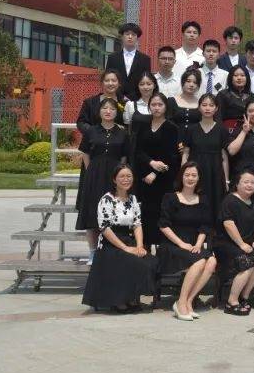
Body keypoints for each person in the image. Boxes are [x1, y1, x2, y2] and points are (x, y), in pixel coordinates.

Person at [81, 164, 156, 312]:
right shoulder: (107, 199)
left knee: (150, 261)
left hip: (129, 239)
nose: (126, 179)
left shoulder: (133, 199)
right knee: (130, 260)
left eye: (129, 176)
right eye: (122, 176)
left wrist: (139, 246)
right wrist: (125, 248)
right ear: (114, 179)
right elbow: (104, 228)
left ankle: (131, 297)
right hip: (110, 244)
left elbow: (137, 224)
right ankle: (119, 300)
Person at [158, 162, 216, 320]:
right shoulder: (170, 198)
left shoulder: (203, 199)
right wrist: (181, 244)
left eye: (194, 175)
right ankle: (180, 302)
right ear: (181, 177)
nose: (190, 178)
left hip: (193, 245)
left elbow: (205, 226)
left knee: (211, 261)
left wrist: (198, 244)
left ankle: (189, 300)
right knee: (199, 261)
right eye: (187, 175)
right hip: (173, 245)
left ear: (198, 178)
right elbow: (163, 225)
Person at [76, 98, 131, 248]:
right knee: (92, 214)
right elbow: (85, 153)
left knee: (113, 212)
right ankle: (93, 251)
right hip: (94, 175)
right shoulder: (91, 131)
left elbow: (124, 156)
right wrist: (90, 171)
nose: (108, 111)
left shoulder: (122, 132)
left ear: (116, 113)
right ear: (99, 111)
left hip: (115, 176)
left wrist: (121, 175)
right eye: (105, 108)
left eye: (112, 109)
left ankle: (111, 249)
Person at [133, 92, 180, 252]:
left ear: (166, 107)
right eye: (153, 104)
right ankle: (144, 250)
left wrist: (155, 173)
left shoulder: (172, 128)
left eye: (160, 104)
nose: (157, 107)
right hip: (144, 177)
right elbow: (138, 151)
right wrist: (150, 164)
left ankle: (163, 252)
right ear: (149, 106)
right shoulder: (143, 126)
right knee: (146, 214)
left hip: (164, 180)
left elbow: (172, 156)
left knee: (162, 214)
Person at [75, 69, 126, 213]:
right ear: (102, 83)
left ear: (119, 83)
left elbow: (127, 126)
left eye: (114, 80)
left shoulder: (125, 103)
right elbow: (81, 122)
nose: (110, 83)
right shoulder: (90, 102)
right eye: (107, 80)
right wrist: (94, 133)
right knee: (92, 194)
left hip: (115, 153)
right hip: (95, 152)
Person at [217, 170, 254, 315]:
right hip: (227, 244)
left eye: (252, 182)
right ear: (237, 184)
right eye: (246, 182)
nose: (249, 185)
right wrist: (241, 244)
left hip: (247, 245)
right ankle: (231, 302)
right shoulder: (230, 200)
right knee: (248, 261)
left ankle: (244, 296)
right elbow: (228, 224)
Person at [180, 93, 230, 220]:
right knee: (195, 201)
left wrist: (226, 180)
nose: (207, 108)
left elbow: (224, 157)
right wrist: (182, 174)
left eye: (211, 105)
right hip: (195, 172)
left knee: (215, 204)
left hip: (215, 172)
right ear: (199, 107)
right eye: (204, 105)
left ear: (216, 108)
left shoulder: (222, 129)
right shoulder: (191, 129)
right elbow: (185, 153)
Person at [106, 23, 152, 99]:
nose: (130, 37)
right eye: (127, 34)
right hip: (115, 98)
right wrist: (119, 96)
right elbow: (108, 79)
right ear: (122, 37)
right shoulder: (112, 58)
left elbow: (146, 81)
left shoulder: (145, 59)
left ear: (137, 38)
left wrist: (132, 97)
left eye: (133, 35)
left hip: (137, 99)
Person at [167, 68, 203, 140]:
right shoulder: (171, 101)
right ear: (182, 82)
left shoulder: (201, 103)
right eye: (188, 81)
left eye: (195, 82)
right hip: (174, 140)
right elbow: (168, 123)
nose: (191, 85)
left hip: (195, 141)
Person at [219, 64, 254, 129]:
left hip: (250, 130)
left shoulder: (253, 97)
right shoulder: (223, 95)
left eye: (242, 75)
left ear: (247, 78)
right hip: (228, 130)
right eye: (235, 75)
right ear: (231, 78)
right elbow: (218, 118)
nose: (239, 78)